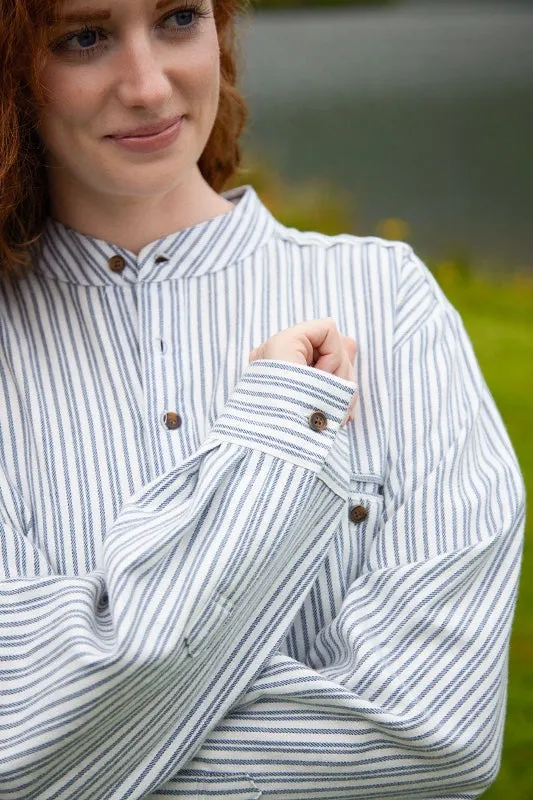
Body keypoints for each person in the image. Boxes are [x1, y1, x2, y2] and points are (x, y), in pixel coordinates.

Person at [0, 0, 525, 797]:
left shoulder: (387, 302)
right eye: (84, 37)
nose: (148, 85)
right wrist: (276, 438)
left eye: (178, 18)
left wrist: (84, 735)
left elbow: (434, 736)